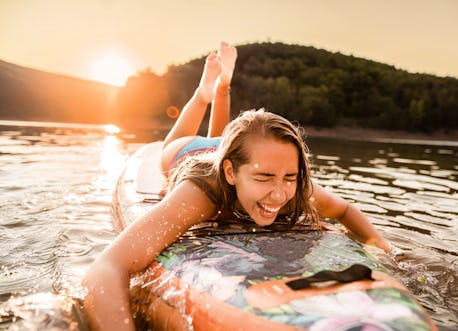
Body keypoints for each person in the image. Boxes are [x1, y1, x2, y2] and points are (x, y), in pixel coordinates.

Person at [83, 42, 391, 330]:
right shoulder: (201, 192)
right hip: (190, 151)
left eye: (290, 177)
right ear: (229, 173)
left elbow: (346, 209)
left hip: (238, 153)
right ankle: (205, 92)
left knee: (237, 149)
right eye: (265, 178)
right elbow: (108, 267)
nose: (280, 194)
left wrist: (386, 252)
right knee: (168, 146)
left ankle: (224, 86)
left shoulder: (294, 188)